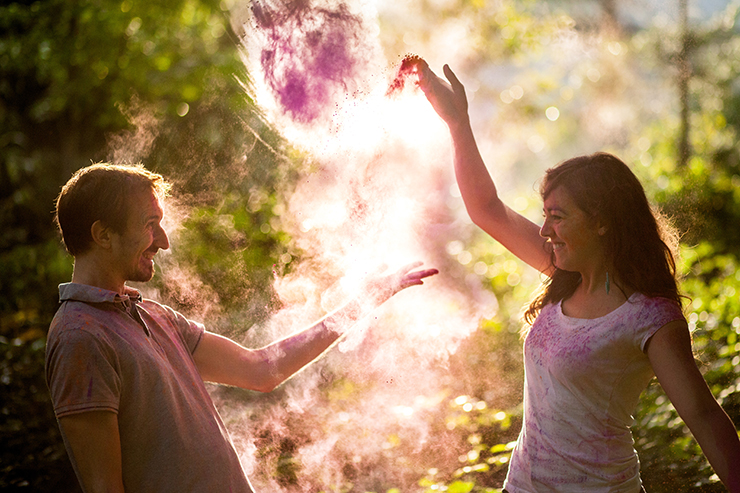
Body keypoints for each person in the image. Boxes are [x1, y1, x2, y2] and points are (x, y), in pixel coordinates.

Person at [419, 63, 740, 492]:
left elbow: (702, 415)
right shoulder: (563, 276)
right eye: (545, 215)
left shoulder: (648, 317)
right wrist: (457, 122)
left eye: (558, 217)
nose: (545, 230)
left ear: (602, 222)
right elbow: (486, 209)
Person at [46, 163, 437, 493]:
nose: (163, 242)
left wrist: (362, 303)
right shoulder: (79, 337)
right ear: (102, 235)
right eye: (151, 225)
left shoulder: (155, 316)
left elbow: (262, 369)